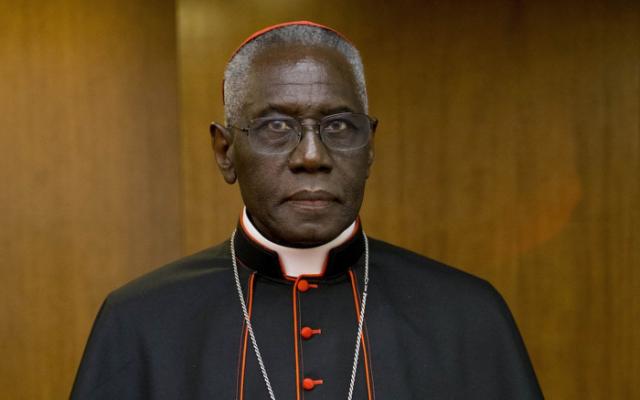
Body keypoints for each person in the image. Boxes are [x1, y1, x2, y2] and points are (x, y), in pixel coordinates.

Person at [71, 21, 543, 399]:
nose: (312, 156)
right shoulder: (139, 322)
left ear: (370, 148)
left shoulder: (468, 315)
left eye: (338, 125)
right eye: (277, 125)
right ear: (225, 152)